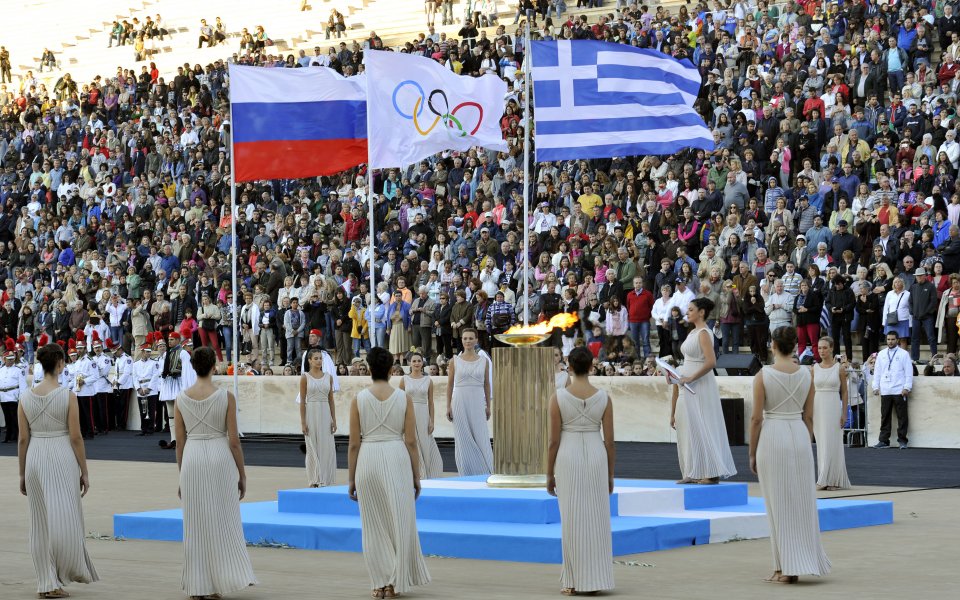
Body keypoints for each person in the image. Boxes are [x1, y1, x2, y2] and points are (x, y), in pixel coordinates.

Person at [347, 346, 431, 599]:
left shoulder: (358, 399)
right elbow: (412, 442)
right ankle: (394, 581)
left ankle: (379, 582)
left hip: (368, 459)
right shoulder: (403, 398)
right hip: (396, 457)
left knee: (373, 524)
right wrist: (416, 476)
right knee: (399, 520)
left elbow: (353, 444)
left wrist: (351, 478)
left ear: (370, 369)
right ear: (392, 371)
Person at [749, 326, 831, 584]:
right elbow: (809, 416)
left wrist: (752, 453)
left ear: (773, 344)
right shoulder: (808, 373)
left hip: (773, 436)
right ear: (794, 345)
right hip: (798, 434)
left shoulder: (763, 375)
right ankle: (784, 565)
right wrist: (804, 443)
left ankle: (785, 567)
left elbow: (755, 419)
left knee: (776, 503)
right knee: (799, 501)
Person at [174, 346, 257, 598]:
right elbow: (234, 441)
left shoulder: (181, 398)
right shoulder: (225, 396)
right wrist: (242, 474)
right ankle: (218, 582)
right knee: (222, 519)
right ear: (213, 367)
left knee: (195, 522)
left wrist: (182, 475)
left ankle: (199, 584)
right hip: (220, 457)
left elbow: (180, 442)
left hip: (193, 459)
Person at [18, 342, 99, 599]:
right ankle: (58, 576)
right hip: (61, 455)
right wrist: (84, 471)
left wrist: (22, 473)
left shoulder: (25, 396)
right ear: (61, 364)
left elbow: (22, 438)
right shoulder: (67, 396)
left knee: (39, 524)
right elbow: (76, 437)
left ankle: (46, 581)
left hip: (34, 458)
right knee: (65, 520)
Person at [546, 346, 615, 597]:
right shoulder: (604, 397)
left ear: (570, 367)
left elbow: (553, 441)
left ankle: (573, 580)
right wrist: (610, 474)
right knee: (597, 517)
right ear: (592, 365)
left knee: (572, 518)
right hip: (596, 454)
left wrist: (548, 474)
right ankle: (596, 578)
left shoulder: (558, 397)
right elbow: (610, 441)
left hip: (568, 455)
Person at [669, 297, 736, 484]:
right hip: (687, 384)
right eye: (687, 309)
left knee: (703, 425)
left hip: (700, 385)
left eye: (691, 309)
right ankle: (693, 470)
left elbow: (711, 361)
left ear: (701, 312)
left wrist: (691, 378)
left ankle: (710, 472)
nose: (687, 312)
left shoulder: (704, 333)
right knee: (690, 427)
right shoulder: (692, 333)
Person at [446, 328, 493, 475]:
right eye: (465, 338)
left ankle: (486, 472)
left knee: (481, 435)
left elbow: (487, 384)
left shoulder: (484, 361)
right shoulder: (455, 360)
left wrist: (488, 406)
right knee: (462, 437)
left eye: (471, 338)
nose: (468, 341)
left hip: (478, 400)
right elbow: (450, 384)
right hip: (459, 400)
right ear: (461, 340)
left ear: (476, 340)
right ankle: (465, 473)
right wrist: (448, 406)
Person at [812, 337, 851, 490]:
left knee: (833, 442)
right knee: (822, 443)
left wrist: (844, 413)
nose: (821, 351)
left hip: (833, 406)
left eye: (825, 348)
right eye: (819, 348)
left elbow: (845, 391)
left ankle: (833, 479)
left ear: (831, 348)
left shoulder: (839, 368)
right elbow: (810, 391)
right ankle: (823, 477)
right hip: (818, 407)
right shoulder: (814, 368)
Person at [398, 351, 443, 479]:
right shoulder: (404, 379)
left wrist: (431, 421)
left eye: (419, 361)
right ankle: (413, 474)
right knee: (411, 442)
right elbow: (399, 400)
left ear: (422, 362)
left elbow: (431, 402)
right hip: (408, 415)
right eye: (414, 361)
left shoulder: (428, 380)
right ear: (409, 363)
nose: (417, 363)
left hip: (423, 415)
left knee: (424, 443)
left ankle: (426, 473)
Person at [300, 348, 337, 487]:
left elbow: (331, 400)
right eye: (315, 358)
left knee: (326, 446)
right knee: (312, 447)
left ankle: (326, 479)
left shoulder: (329, 377)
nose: (319, 361)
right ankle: (314, 479)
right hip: (311, 412)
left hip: (325, 413)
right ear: (309, 360)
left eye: (320, 358)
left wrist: (334, 420)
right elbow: (303, 401)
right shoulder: (305, 377)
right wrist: (303, 422)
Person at [872, 331, 913, 449]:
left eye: (892, 339)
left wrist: (907, 387)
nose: (890, 341)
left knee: (902, 416)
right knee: (885, 416)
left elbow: (908, 372)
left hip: (900, 390)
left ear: (898, 340)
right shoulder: (882, 354)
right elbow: (877, 372)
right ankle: (884, 440)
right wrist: (875, 387)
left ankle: (902, 441)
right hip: (885, 390)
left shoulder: (904, 354)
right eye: (888, 339)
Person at [160, 332, 197, 450]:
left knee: (181, 414)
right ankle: (174, 439)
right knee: (171, 414)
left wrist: (187, 389)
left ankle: (184, 439)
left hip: (179, 383)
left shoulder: (183, 353)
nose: (169, 341)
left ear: (177, 340)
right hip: (169, 383)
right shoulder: (166, 353)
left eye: (172, 339)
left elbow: (187, 372)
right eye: (169, 339)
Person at [1, 341, 26, 442]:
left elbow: (23, 385)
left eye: (12, 359)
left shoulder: (18, 369)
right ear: (4, 359)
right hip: (3, 395)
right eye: (9, 359)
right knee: (7, 417)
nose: (11, 361)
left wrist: (21, 397)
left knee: (14, 417)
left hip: (13, 395)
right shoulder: (1, 370)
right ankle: (8, 437)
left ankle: (16, 436)